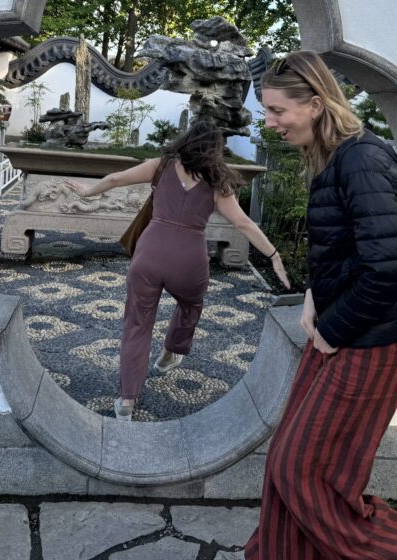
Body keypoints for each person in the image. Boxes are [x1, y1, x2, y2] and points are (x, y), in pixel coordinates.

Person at [245, 52, 397, 559]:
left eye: (278, 111)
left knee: (296, 466)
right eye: (267, 111)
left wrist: (332, 330)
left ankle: (395, 551)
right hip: (343, 329)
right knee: (298, 463)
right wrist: (312, 295)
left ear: (317, 103)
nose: (270, 123)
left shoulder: (364, 161)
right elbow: (344, 249)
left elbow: (387, 270)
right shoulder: (340, 157)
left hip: (370, 341)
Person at [63, 119, 290, 421]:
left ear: (187, 139)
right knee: (191, 304)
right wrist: (273, 255)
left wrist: (88, 191)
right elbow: (243, 223)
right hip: (190, 259)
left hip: (150, 253)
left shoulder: (163, 164)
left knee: (137, 326)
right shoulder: (217, 179)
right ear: (217, 149)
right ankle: (171, 351)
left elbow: (117, 179)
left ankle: (127, 401)